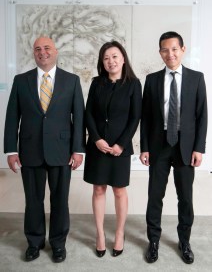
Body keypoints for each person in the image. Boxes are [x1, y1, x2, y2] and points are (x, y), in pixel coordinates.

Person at [4, 36, 85, 263]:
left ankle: (58, 244)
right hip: (30, 151)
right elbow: (12, 117)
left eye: (47, 48)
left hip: (62, 150)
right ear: (34, 54)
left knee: (60, 200)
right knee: (33, 200)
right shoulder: (21, 81)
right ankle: (34, 242)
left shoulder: (72, 80)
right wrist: (11, 151)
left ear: (55, 51)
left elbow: (78, 117)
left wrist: (79, 150)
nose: (43, 52)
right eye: (38, 49)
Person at [140, 31, 207, 264]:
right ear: (160, 53)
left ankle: (184, 241)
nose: (170, 54)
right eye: (165, 50)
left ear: (183, 49)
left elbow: (202, 116)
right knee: (154, 196)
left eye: (174, 49)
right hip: (159, 146)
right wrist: (145, 147)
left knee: (185, 197)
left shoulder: (197, 78)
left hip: (186, 147)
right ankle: (154, 241)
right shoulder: (152, 80)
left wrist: (199, 148)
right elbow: (146, 117)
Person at [83, 40, 142, 258]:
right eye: (106, 58)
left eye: (115, 56)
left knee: (119, 191)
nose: (111, 61)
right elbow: (88, 113)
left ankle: (119, 233)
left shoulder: (134, 84)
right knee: (98, 189)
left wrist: (121, 144)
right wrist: (96, 139)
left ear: (123, 58)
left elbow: (135, 117)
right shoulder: (97, 82)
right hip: (98, 146)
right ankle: (99, 234)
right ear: (102, 62)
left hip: (120, 147)